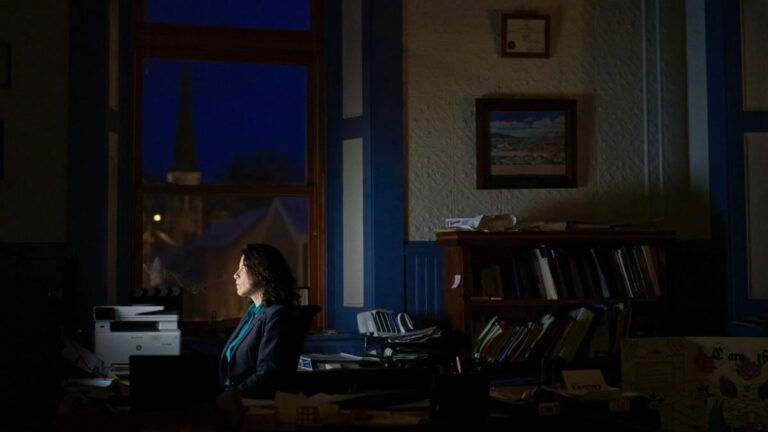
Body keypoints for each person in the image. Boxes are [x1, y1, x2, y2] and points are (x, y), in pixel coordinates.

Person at [219, 243, 299, 399]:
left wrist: (234, 396)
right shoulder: (252, 313)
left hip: (250, 402)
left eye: (242, 268)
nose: (235, 275)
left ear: (262, 272)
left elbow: (268, 372)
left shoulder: (276, 315)